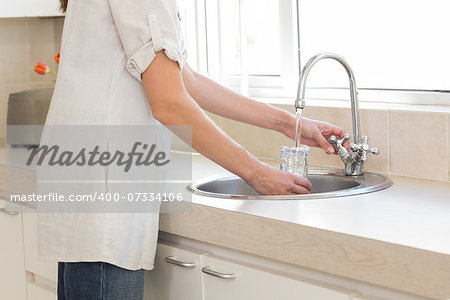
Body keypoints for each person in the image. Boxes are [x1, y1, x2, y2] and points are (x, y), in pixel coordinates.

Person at [40, 0, 346, 299]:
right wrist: (256, 172)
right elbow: (169, 103)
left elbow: (186, 80)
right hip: (106, 195)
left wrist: (289, 123)